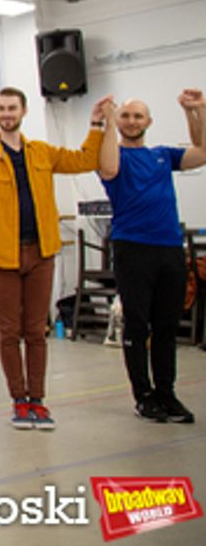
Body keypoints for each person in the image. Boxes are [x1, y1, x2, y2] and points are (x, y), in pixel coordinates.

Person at [0, 87, 110, 430]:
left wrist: (96, 126)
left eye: (12, 108)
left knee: (36, 331)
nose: (6, 113)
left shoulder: (42, 153)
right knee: (9, 331)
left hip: (41, 252)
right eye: (1, 108)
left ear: (24, 111)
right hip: (2, 255)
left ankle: (38, 401)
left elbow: (83, 160)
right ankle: (19, 400)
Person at [97, 89, 205, 423]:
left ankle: (166, 393)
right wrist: (107, 122)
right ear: (118, 121)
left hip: (170, 248)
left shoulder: (162, 155)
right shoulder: (111, 156)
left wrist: (195, 111)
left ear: (149, 122)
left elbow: (201, 151)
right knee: (137, 324)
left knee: (166, 326)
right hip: (132, 248)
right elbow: (110, 168)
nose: (132, 122)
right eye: (126, 116)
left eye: (138, 116)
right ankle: (143, 396)